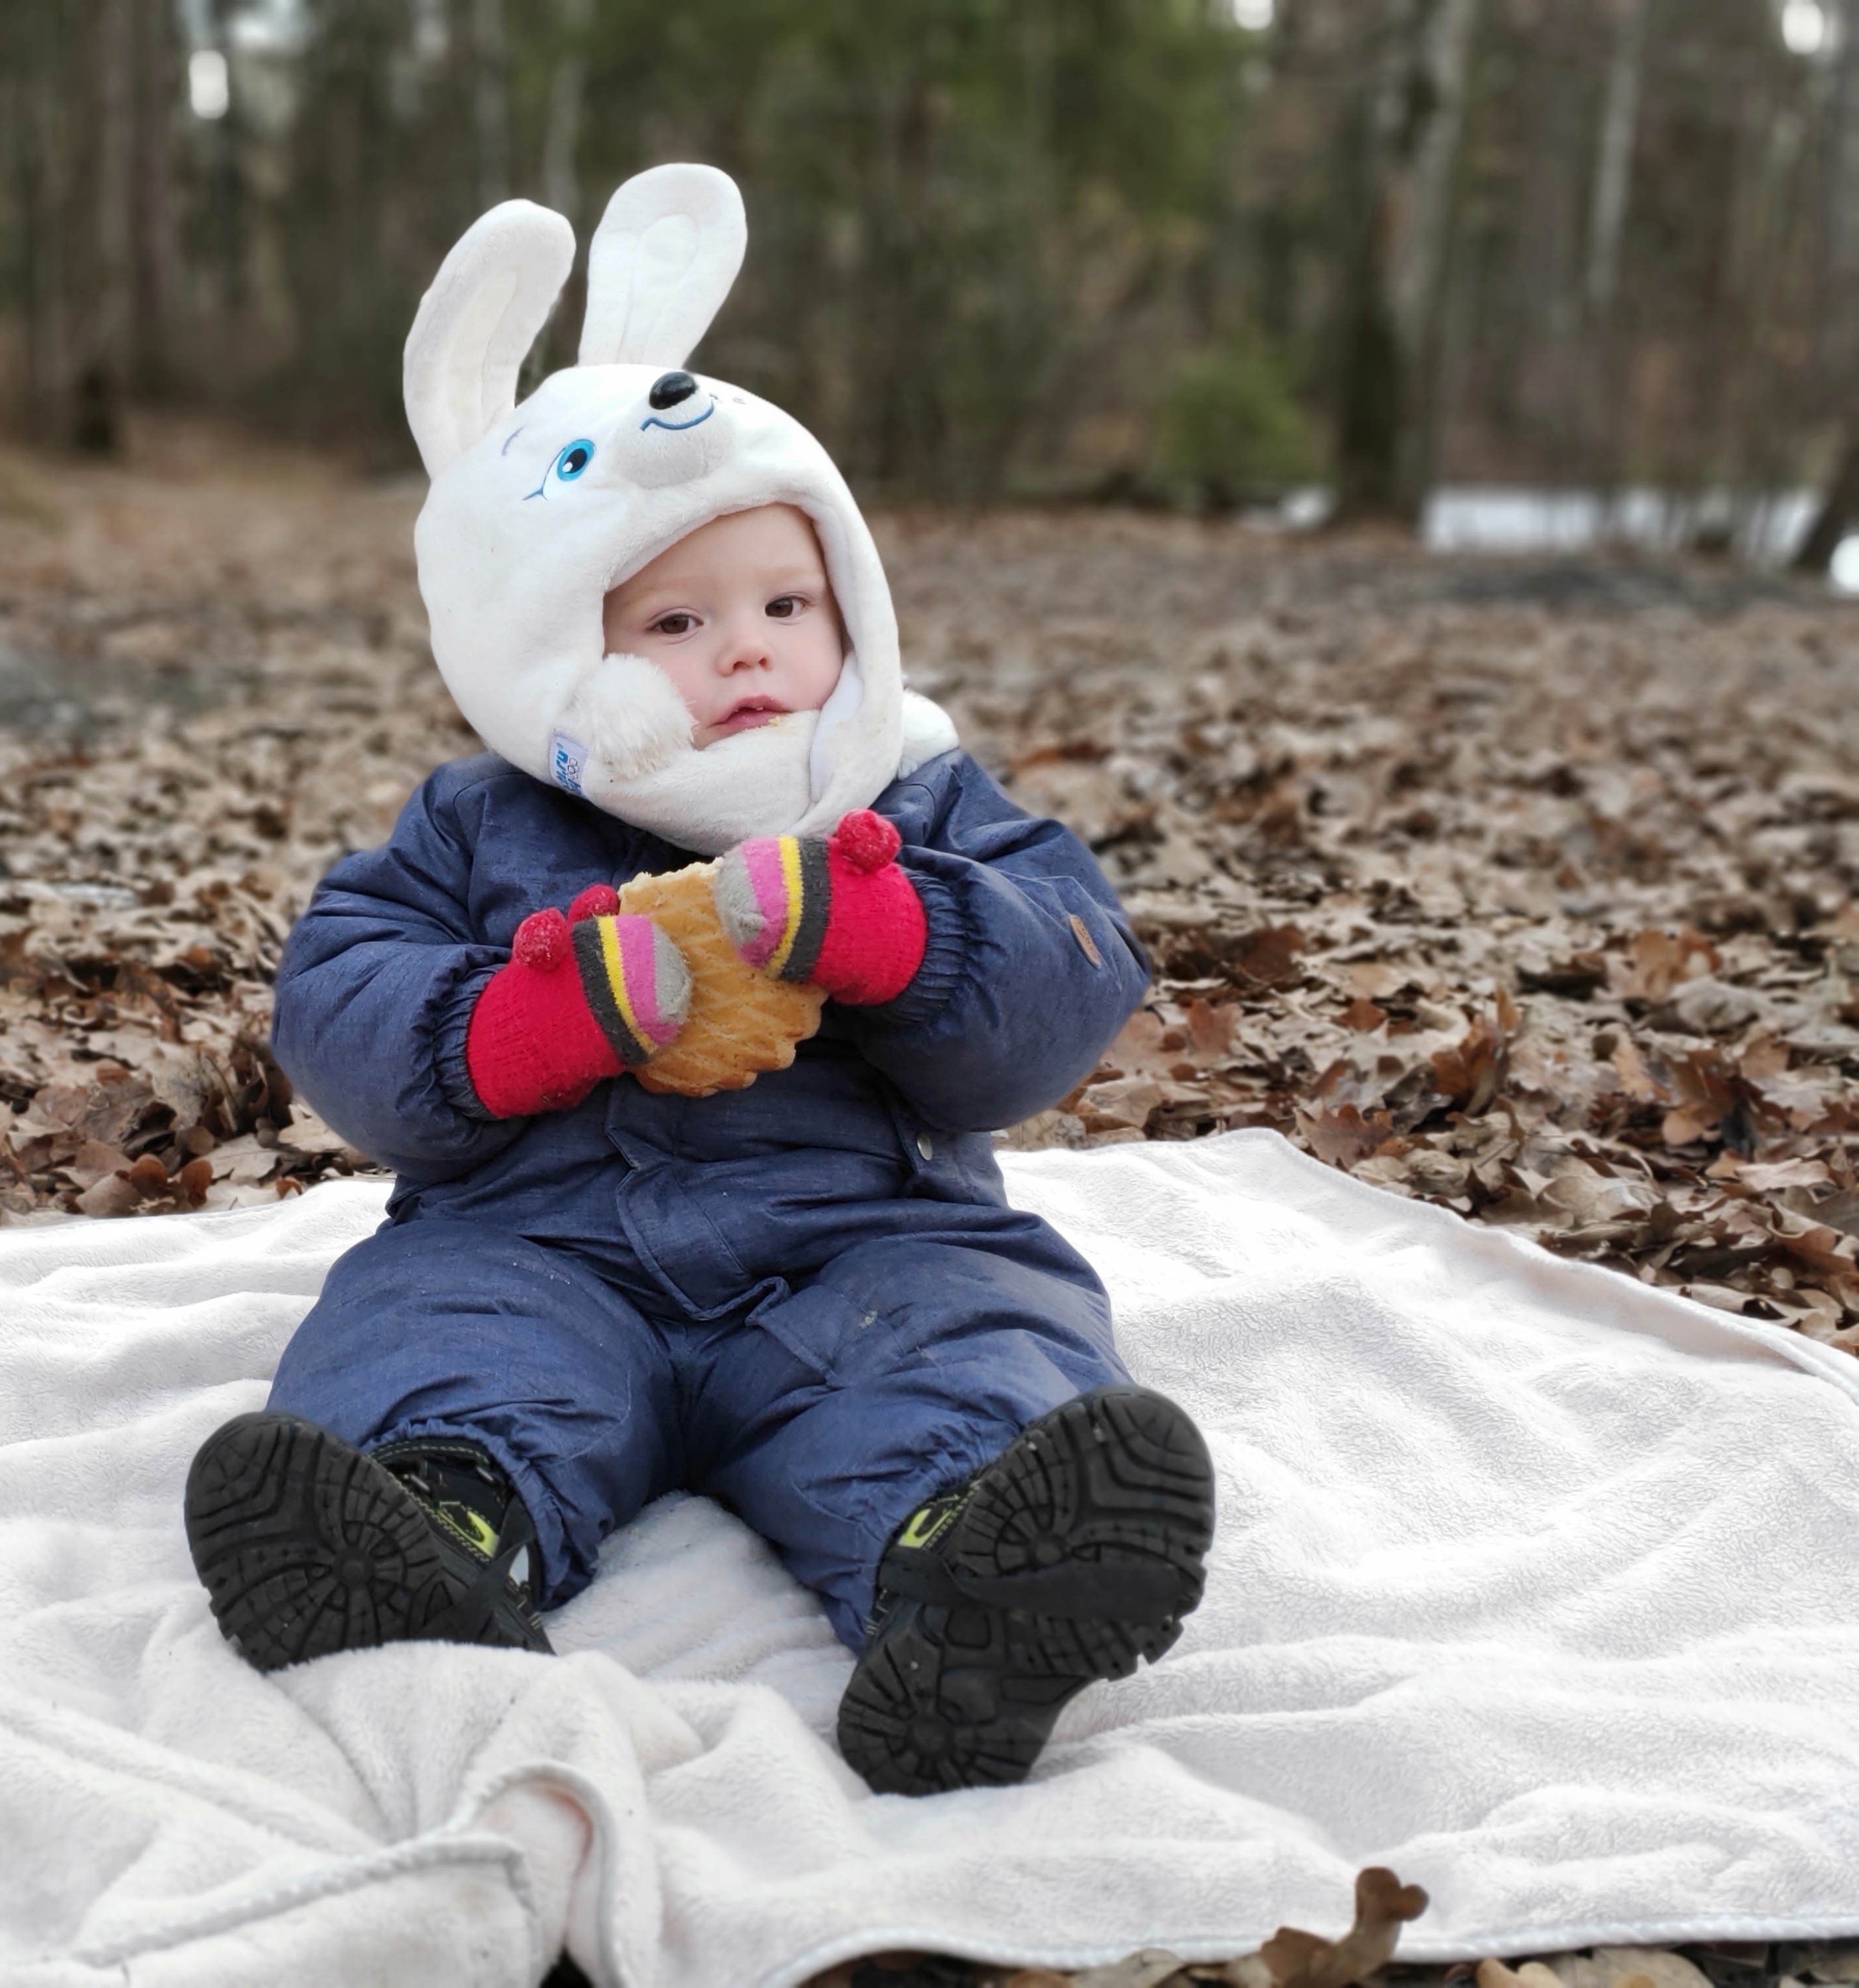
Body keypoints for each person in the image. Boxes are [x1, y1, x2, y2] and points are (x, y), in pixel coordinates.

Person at [181, 166, 1215, 1796]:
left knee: (974, 1336)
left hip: (862, 1237)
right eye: (676, 618)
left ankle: (971, 1569)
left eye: (788, 604)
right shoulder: (480, 819)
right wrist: (525, 1024)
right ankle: (435, 1529)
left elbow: (1068, 979)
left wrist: (896, 933)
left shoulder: (910, 798)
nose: (747, 649)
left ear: (851, 607)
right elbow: (338, 1005)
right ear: (552, 643)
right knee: (435, 1337)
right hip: (538, 1239)